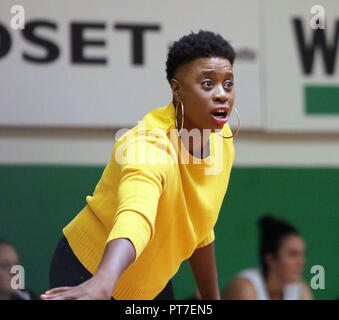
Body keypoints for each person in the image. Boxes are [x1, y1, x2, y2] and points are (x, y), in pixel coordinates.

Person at [41, 30, 237, 300]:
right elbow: (136, 215)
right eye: (207, 84)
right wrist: (104, 280)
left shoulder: (223, 141)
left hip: (149, 286)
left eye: (228, 84)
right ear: (176, 89)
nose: (221, 95)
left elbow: (200, 228)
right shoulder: (149, 145)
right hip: (89, 273)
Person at [222, 215, 313, 300]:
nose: (301, 262)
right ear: (270, 259)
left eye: (302, 254)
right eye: (293, 254)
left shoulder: (301, 290)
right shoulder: (244, 289)